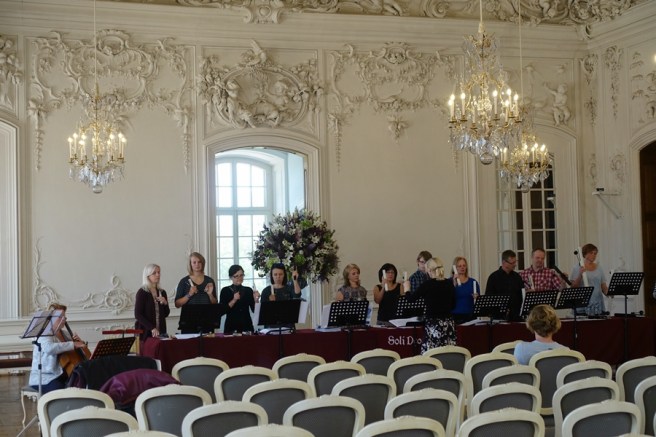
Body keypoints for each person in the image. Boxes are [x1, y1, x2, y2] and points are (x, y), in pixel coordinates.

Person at [29, 303, 87, 394]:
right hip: (44, 378)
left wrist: (80, 342)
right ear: (51, 318)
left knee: (82, 383)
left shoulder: (65, 334)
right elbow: (49, 348)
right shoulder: (44, 333)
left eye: (64, 317)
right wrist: (73, 344)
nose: (63, 319)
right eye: (60, 317)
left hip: (60, 374)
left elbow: (75, 350)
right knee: (61, 392)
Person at [408, 257, 456, 352]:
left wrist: (406, 289)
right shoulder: (449, 283)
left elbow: (411, 299)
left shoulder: (427, 285)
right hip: (448, 324)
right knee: (448, 352)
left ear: (429, 270)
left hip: (433, 324)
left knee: (432, 353)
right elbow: (453, 305)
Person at [135, 264, 170, 344]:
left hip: (161, 331)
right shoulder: (142, 292)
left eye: (159, 272)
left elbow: (166, 314)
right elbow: (138, 314)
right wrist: (152, 328)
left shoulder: (162, 292)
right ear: (148, 276)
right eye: (154, 273)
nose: (158, 275)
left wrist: (165, 303)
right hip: (145, 331)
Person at [484, 249, 524, 321]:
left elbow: (521, 296)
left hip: (515, 316)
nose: (515, 264)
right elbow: (489, 298)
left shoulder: (517, 277)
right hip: (498, 317)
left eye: (515, 262)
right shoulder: (493, 277)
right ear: (504, 262)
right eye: (512, 263)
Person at [570, 243, 608, 316]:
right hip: (582, 304)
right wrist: (580, 274)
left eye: (595, 253)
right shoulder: (577, 267)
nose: (593, 255)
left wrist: (611, 293)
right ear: (585, 254)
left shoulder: (599, 267)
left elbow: (604, 287)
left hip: (597, 304)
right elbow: (573, 287)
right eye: (591, 253)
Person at [220, 264, 257, 334]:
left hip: (247, 326)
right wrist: (234, 300)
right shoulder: (225, 291)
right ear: (231, 277)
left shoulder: (248, 290)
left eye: (241, 275)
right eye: (236, 276)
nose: (239, 278)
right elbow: (222, 311)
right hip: (231, 327)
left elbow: (254, 310)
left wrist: (256, 300)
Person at [451, 256, 479, 323]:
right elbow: (447, 299)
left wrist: (477, 297)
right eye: (459, 266)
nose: (462, 268)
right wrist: (454, 283)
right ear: (455, 268)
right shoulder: (449, 282)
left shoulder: (473, 282)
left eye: (464, 265)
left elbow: (478, 301)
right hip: (455, 316)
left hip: (470, 315)